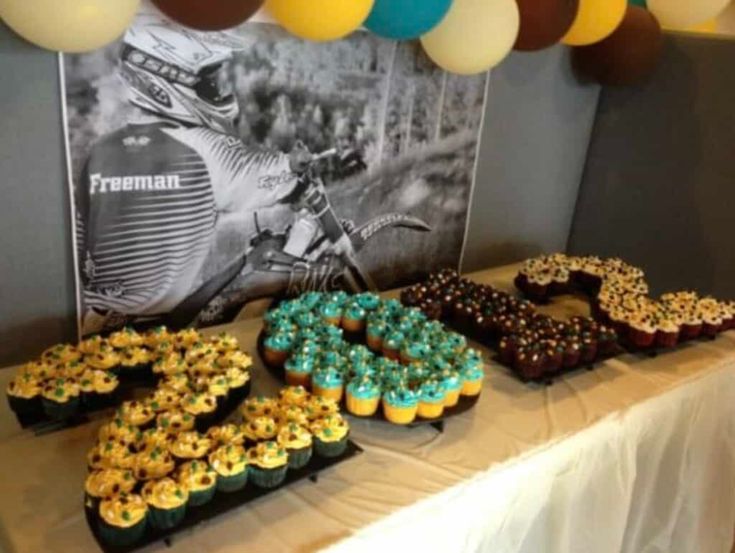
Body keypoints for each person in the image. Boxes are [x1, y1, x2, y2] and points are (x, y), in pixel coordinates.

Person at [76, 13, 312, 334]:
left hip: (94, 322)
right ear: (164, 81)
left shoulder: (100, 150)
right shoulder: (203, 145)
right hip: (160, 329)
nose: (218, 89)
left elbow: (80, 240)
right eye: (208, 81)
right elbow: (257, 179)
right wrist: (294, 164)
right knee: (272, 285)